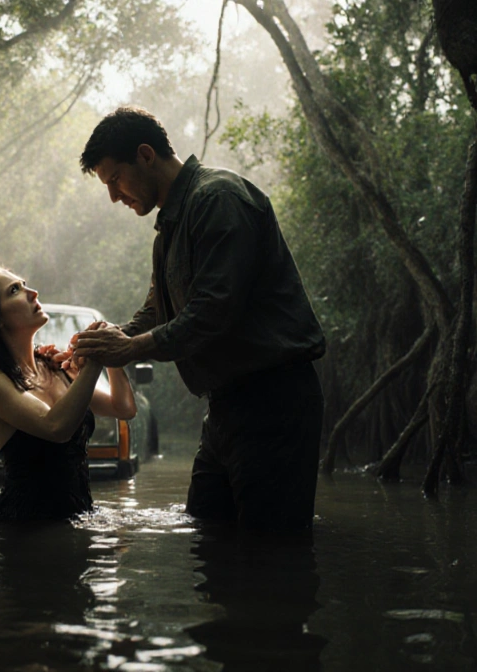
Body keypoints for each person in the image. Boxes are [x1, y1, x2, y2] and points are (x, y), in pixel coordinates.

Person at [71, 105, 326, 534]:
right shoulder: (169, 225)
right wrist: (107, 340)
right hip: (226, 408)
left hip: (274, 402)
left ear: (146, 155)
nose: (114, 196)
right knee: (210, 541)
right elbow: (158, 309)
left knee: (272, 559)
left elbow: (213, 311)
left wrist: (130, 348)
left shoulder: (219, 198)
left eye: (115, 179)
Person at [0, 267, 137, 521]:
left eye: (24, 284)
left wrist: (112, 352)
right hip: (24, 527)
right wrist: (95, 359)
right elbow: (55, 426)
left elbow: (122, 408)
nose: (32, 292)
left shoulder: (52, 364)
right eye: (15, 290)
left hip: (78, 517)